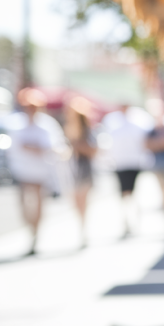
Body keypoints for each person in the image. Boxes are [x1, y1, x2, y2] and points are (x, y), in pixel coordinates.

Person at [6, 89, 55, 256]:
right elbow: (14, 147)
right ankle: (30, 231)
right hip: (22, 171)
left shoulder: (46, 124)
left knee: (39, 203)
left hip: (40, 172)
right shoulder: (16, 123)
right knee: (25, 204)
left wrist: (34, 148)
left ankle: (36, 234)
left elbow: (51, 147)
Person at [105, 105, 148, 237]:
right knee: (124, 194)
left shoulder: (138, 121)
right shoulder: (113, 121)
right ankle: (126, 221)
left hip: (134, 162)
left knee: (133, 193)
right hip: (120, 163)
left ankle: (135, 222)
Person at [64, 97, 97, 247]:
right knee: (75, 201)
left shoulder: (88, 131)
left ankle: (84, 230)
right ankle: (81, 228)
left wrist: (78, 145)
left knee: (83, 200)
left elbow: (93, 150)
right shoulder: (69, 129)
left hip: (84, 168)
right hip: (72, 168)